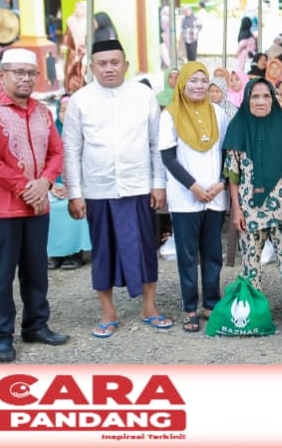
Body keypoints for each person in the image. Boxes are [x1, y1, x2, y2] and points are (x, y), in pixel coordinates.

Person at [62, 39, 173, 338]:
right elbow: (71, 148)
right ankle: (108, 312)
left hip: (139, 187)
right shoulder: (80, 100)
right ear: (92, 67)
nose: (108, 68)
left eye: (114, 62)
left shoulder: (143, 95)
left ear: (126, 65)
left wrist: (158, 183)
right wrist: (75, 192)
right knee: (103, 250)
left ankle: (149, 307)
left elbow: (156, 143)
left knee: (145, 248)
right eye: (102, 63)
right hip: (98, 190)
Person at [0, 49, 67, 362]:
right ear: (1, 76)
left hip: (35, 208)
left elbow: (57, 152)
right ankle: (0, 336)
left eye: (31, 73)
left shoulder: (42, 111)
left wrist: (45, 181)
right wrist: (29, 187)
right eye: (18, 72)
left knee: (36, 271)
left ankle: (36, 325)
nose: (26, 78)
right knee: (0, 276)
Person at [224, 78, 282, 327]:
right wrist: (236, 209)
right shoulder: (238, 126)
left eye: (266, 96)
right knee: (251, 262)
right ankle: (255, 311)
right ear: (247, 99)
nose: (260, 101)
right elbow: (232, 173)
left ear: (273, 99)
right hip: (249, 208)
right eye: (255, 96)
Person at [159, 62, 228, 333]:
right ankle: (190, 308)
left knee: (213, 253)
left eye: (203, 81)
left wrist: (221, 183)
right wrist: (194, 187)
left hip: (215, 196)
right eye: (193, 81)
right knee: (187, 255)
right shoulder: (170, 114)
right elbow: (168, 157)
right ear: (182, 84)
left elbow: (227, 152)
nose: (199, 86)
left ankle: (211, 303)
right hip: (185, 197)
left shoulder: (218, 113)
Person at [47, 94, 90, 271]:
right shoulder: (50, 134)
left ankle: (75, 253)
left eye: (70, 110)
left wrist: (71, 187)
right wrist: (51, 185)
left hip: (81, 185)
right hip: (53, 186)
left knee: (75, 203)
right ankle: (55, 253)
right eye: (63, 110)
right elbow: (44, 162)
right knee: (50, 207)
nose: (66, 114)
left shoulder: (87, 133)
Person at [61, 0, 88, 92]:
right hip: (73, 51)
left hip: (84, 52)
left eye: (81, 7)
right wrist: (64, 46)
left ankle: (82, 90)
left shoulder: (89, 22)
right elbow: (67, 35)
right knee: (70, 70)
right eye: (76, 7)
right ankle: (70, 90)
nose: (78, 10)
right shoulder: (70, 21)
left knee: (82, 72)